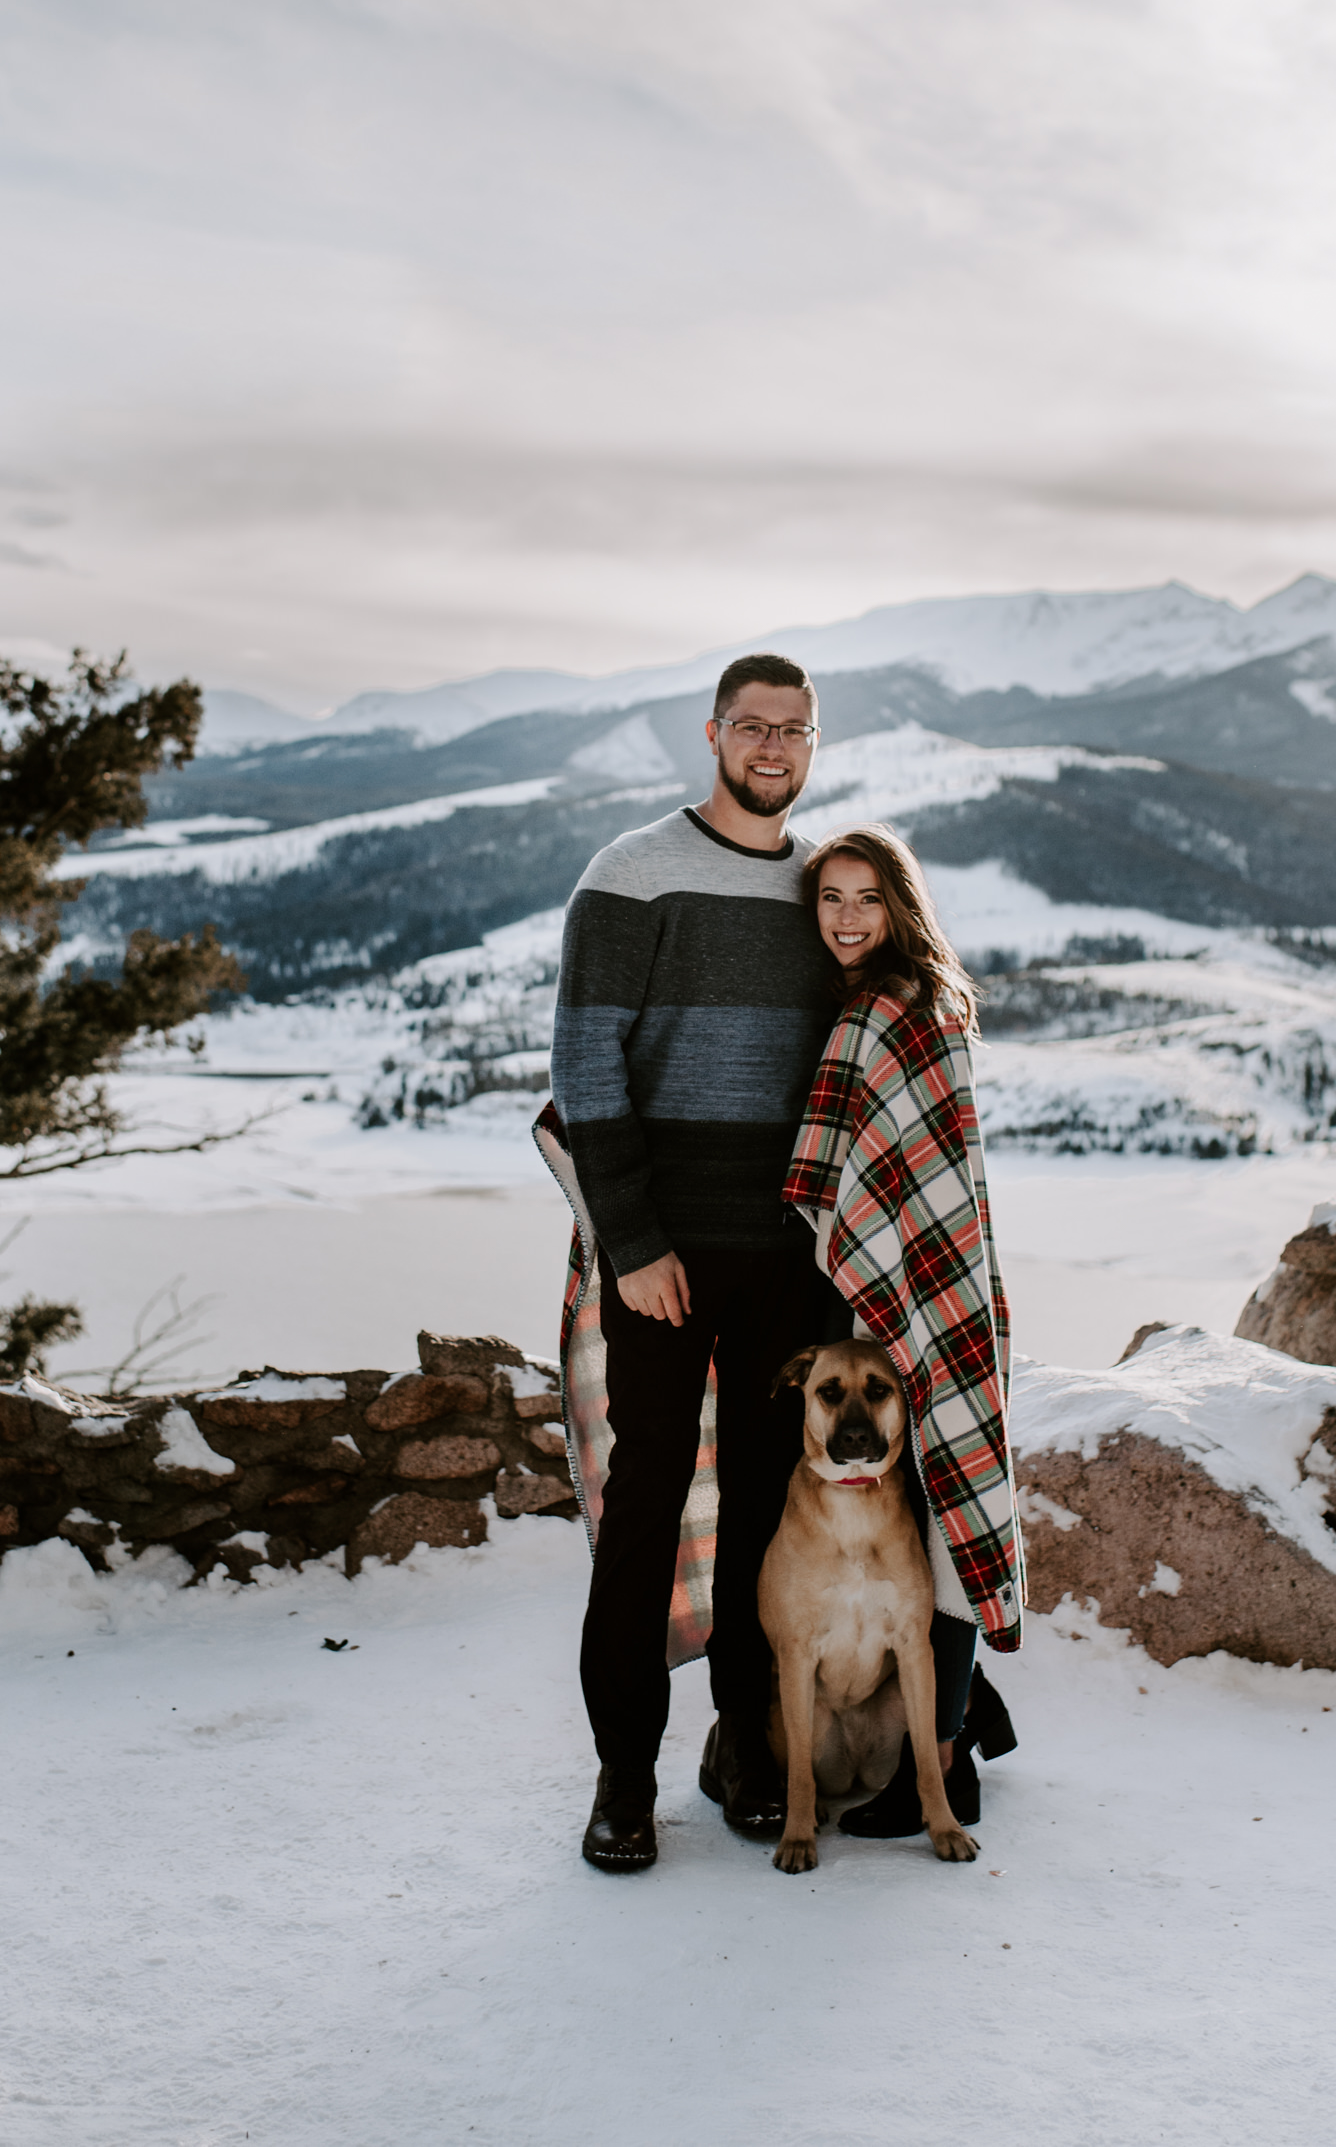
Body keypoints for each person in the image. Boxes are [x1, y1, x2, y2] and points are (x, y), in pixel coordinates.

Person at [536, 652, 834, 1873]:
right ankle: (622, 1779)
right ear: (712, 734)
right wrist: (638, 1242)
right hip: (661, 1257)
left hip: (787, 1259)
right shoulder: (631, 875)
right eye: (753, 726)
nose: (773, 747)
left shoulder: (826, 887)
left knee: (768, 1514)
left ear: (815, 744)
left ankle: (742, 1748)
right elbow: (584, 1066)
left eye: (795, 730)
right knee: (644, 1517)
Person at [783, 825, 1024, 1836]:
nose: (845, 918)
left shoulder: (883, 1009)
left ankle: (945, 1763)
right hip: (955, 1287)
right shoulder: (933, 997)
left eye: (865, 899)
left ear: (900, 906)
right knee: (943, 1514)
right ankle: (959, 1735)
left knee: (931, 1515)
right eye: (829, 899)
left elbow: (843, 1178)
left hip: (907, 1300)